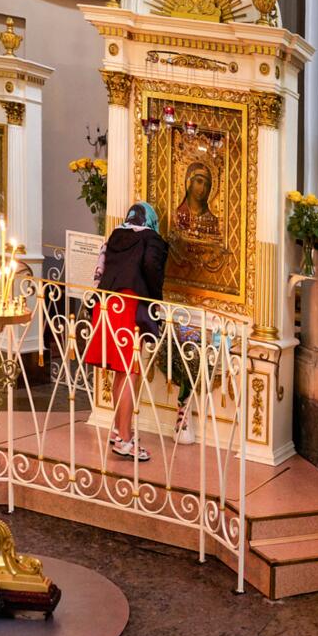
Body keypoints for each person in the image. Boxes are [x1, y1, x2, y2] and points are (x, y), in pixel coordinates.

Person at [85, 202, 168, 461]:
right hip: (129, 304)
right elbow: (151, 268)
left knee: (120, 370)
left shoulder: (116, 235)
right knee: (130, 371)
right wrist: (156, 300)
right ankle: (125, 439)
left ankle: (117, 430)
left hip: (106, 303)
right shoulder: (151, 239)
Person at [175, 161, 220, 237]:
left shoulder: (211, 218)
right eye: (199, 181)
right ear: (190, 182)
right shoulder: (179, 212)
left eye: (206, 185)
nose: (202, 189)